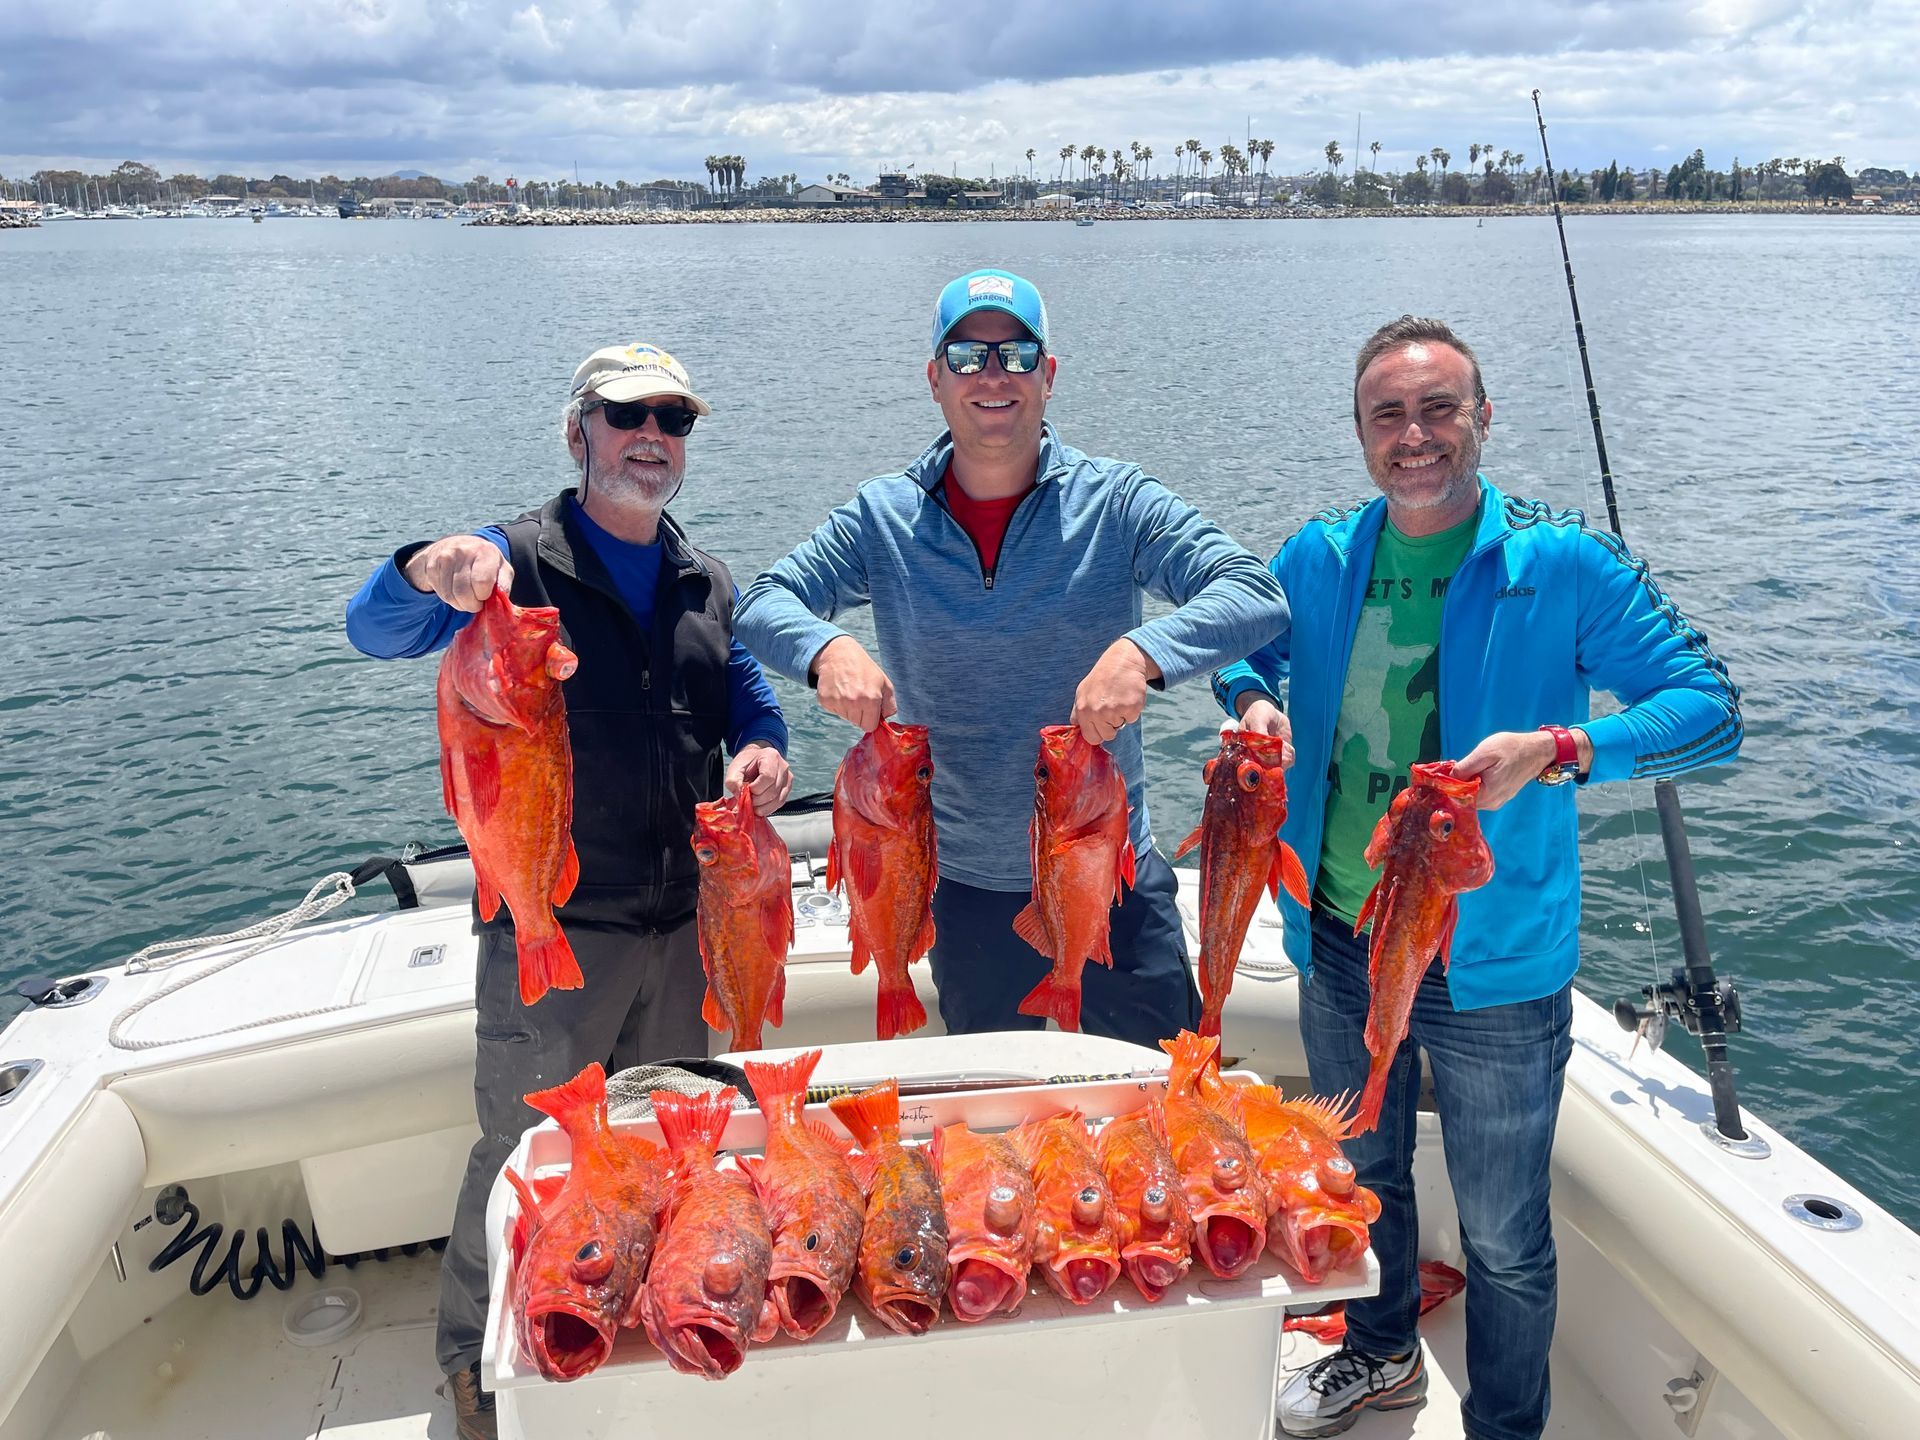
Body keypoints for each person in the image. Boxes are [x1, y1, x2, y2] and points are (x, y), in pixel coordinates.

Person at [1214, 315, 1742, 1439]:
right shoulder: (1316, 556)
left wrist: (1562, 747)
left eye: (1438, 409)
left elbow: (1711, 711)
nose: (1414, 436)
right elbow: (1244, 650)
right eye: (1388, 415)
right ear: (1360, 432)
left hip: (1496, 971)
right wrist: (1254, 700)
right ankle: (1380, 1356)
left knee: (1504, 1235)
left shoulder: (1565, 563)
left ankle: (1506, 1424)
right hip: (1340, 940)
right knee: (1361, 1175)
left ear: (1484, 417)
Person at [344, 342, 791, 1439]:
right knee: (519, 1153)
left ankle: (641, 1321)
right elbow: (374, 630)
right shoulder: (507, 567)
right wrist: (427, 567)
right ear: (578, 431)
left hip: (684, 929)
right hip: (554, 924)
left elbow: (743, 692)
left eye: (674, 419)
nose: (653, 436)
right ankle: (475, 1363)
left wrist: (765, 749)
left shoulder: (704, 580)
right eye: (628, 415)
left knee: (666, 1145)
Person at [734, 269, 1289, 1047]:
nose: (993, 376)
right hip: (966, 891)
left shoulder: (1117, 502)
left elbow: (1255, 591)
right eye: (967, 356)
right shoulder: (882, 516)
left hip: (1112, 876)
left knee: (1160, 1101)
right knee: (998, 1112)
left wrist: (1143, 652)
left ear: (1048, 375)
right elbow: (761, 602)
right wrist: (824, 648)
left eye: (1017, 354)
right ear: (934, 379)